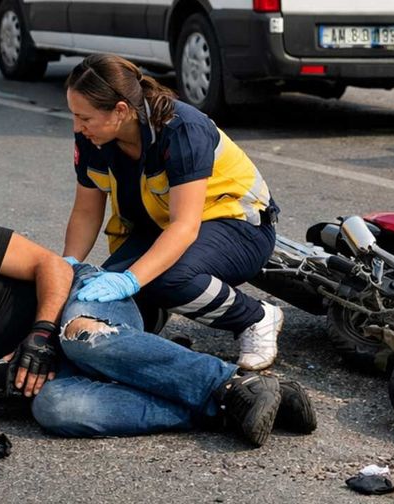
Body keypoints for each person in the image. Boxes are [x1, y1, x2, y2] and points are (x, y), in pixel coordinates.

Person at [0, 218, 316, 448]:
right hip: (36, 377)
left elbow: (50, 264)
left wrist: (42, 332)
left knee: (78, 337)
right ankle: (225, 404)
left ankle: (228, 384)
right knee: (54, 409)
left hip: (75, 305)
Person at [64, 53, 281, 371]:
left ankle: (255, 317)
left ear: (121, 110)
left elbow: (184, 226)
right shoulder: (93, 137)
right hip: (164, 229)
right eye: (74, 115)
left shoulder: (182, 129)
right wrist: (68, 268)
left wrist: (133, 279)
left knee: (162, 278)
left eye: (84, 118)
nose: (77, 126)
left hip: (240, 228)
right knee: (97, 296)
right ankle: (154, 315)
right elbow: (85, 211)